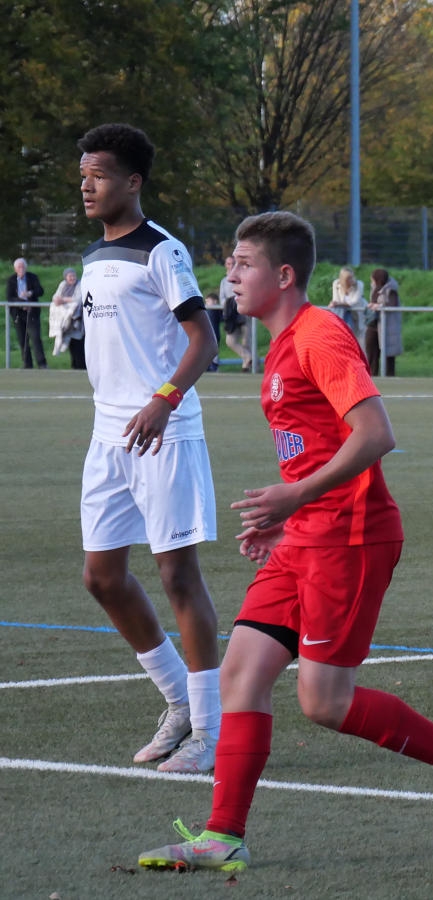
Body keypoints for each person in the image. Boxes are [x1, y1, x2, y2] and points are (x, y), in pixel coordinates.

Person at [138, 210, 433, 873]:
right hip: (306, 535)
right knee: (241, 674)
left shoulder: (319, 335)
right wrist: (287, 516)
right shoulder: (281, 345)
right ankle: (223, 835)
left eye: (244, 264)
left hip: (351, 537)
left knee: (323, 702)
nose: (230, 276)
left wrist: (296, 497)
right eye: (230, 264)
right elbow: (315, 448)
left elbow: (376, 434)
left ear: (284, 275)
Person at [77, 122, 222, 773]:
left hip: (165, 433)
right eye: (83, 176)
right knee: (102, 577)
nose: (87, 186)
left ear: (133, 182)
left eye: (99, 175)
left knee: (177, 576)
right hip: (108, 436)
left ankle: (210, 733)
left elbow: (203, 340)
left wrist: (164, 398)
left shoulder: (162, 250)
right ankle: (179, 702)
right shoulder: (91, 258)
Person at [8, 257, 47, 369]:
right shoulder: (11, 280)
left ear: (26, 267)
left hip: (32, 312)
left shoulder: (32, 277)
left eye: (23, 267)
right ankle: (27, 364)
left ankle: (42, 363)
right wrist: (21, 303)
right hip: (18, 313)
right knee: (22, 339)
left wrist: (30, 293)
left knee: (35, 338)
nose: (21, 269)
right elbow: (9, 297)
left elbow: (40, 291)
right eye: (19, 267)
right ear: (15, 269)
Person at [365, 268, 402, 377]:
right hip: (373, 324)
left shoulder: (391, 290)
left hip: (386, 325)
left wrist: (379, 306)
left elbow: (392, 304)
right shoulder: (374, 288)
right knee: (371, 349)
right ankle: (371, 376)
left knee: (388, 354)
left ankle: (389, 377)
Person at [49, 266, 86, 370]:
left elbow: (78, 299)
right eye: (70, 276)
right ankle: (74, 366)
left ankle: (81, 366)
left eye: (73, 275)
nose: (72, 278)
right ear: (66, 277)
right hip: (65, 322)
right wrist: (58, 300)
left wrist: (63, 300)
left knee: (79, 344)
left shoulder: (79, 284)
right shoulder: (63, 284)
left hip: (77, 321)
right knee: (71, 344)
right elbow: (55, 297)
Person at [329, 266, 365, 347]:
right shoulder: (336, 284)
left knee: (358, 340)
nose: (352, 280)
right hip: (342, 313)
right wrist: (334, 303)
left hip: (356, 314)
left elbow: (354, 301)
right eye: (349, 278)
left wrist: (338, 304)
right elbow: (336, 299)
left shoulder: (359, 284)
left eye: (352, 277)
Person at [202, 293, 223, 371]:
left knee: (214, 351)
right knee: (206, 350)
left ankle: (214, 366)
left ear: (215, 301)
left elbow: (222, 318)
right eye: (206, 302)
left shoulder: (217, 311)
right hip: (206, 335)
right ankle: (207, 365)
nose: (206, 303)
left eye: (208, 301)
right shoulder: (206, 311)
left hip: (215, 334)